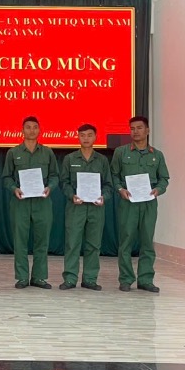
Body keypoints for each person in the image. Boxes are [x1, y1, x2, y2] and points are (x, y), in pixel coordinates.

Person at [111, 116, 170, 293]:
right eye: (132, 128)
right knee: (126, 242)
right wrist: (120, 189)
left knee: (147, 242)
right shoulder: (121, 152)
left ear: (147, 130)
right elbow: (114, 176)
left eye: (139, 128)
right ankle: (126, 279)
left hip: (149, 203)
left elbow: (164, 178)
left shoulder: (157, 155)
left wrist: (158, 189)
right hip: (128, 202)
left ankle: (146, 279)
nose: (135, 131)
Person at [2, 116, 59, 289]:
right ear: (22, 130)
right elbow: (6, 177)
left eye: (35, 127)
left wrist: (50, 187)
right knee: (20, 241)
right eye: (28, 127)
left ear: (39, 130)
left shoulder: (47, 152)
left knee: (42, 240)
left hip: (42, 202)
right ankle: (22, 278)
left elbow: (54, 176)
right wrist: (14, 189)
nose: (32, 130)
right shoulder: (13, 153)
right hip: (20, 202)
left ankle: (39, 277)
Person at [58, 124, 113, 291]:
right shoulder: (70, 159)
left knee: (94, 245)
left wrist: (104, 197)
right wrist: (71, 195)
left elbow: (108, 184)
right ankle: (70, 278)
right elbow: (64, 182)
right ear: (78, 137)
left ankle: (90, 279)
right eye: (82, 135)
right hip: (76, 207)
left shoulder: (102, 160)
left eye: (89, 135)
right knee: (72, 243)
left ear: (95, 137)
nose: (86, 138)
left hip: (96, 208)